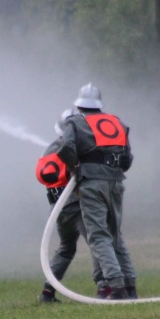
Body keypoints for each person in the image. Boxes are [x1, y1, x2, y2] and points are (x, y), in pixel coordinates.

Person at [56, 83, 137, 300]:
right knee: (115, 235)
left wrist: (75, 166)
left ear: (79, 105)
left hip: (91, 183)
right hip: (116, 182)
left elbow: (65, 147)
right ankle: (130, 287)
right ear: (98, 104)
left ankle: (116, 287)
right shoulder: (117, 122)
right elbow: (127, 158)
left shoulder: (75, 122)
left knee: (99, 235)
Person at [35, 109, 104, 303]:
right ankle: (104, 288)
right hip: (76, 206)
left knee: (66, 247)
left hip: (57, 208)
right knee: (98, 243)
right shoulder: (75, 150)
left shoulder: (48, 149)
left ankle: (48, 292)